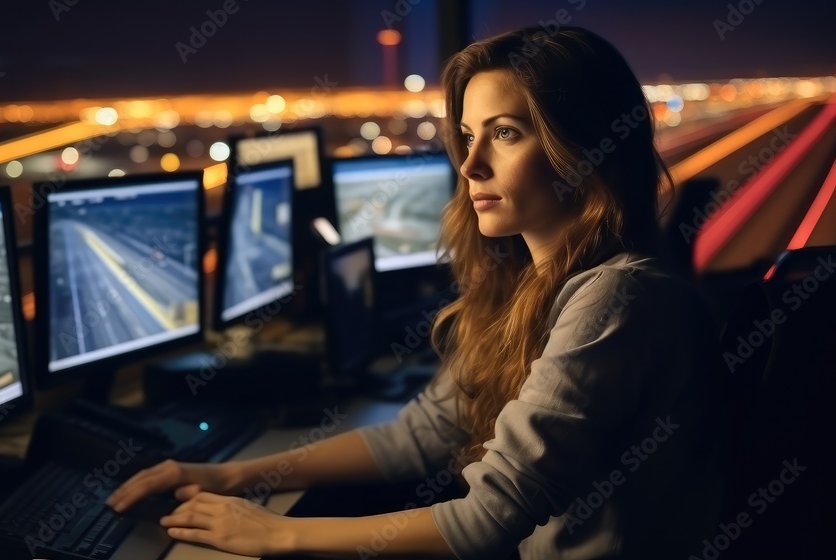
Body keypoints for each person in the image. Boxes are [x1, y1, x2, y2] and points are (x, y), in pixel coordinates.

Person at [106, 26, 725, 559]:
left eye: (505, 133)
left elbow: (485, 521)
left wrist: (278, 535)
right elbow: (421, 434)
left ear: (584, 149)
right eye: (468, 134)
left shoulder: (617, 298)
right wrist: (232, 474)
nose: (470, 164)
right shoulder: (533, 283)